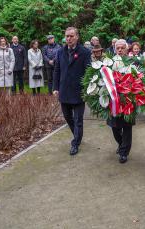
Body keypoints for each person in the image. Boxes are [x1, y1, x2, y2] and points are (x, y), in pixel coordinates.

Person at [53, 27, 91, 156]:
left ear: (77, 37)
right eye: (66, 36)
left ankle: (75, 143)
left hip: (78, 91)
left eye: (71, 36)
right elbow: (57, 70)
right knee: (68, 117)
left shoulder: (85, 52)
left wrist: (87, 89)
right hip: (64, 91)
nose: (68, 39)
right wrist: (55, 87)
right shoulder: (60, 52)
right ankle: (77, 134)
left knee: (78, 120)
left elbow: (88, 72)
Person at [107, 39, 134, 164]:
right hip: (114, 101)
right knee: (114, 127)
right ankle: (121, 143)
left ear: (127, 49)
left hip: (128, 100)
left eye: (122, 48)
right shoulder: (110, 63)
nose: (120, 50)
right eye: (118, 48)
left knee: (127, 127)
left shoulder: (133, 62)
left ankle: (124, 152)